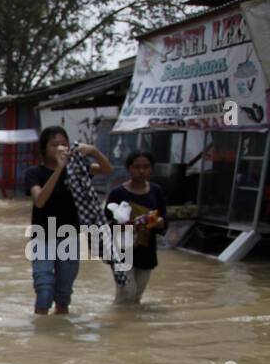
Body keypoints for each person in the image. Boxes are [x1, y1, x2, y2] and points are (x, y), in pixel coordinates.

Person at [24, 125, 112, 315]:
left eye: (64, 144)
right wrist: (58, 170)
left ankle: (60, 331)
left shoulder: (77, 169)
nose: (60, 148)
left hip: (70, 236)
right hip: (42, 237)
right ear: (44, 149)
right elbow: (39, 201)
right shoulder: (34, 173)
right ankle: (40, 333)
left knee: (63, 294)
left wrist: (94, 152)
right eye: (54, 145)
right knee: (44, 291)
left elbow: (106, 169)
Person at [105, 151, 167, 304]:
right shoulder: (117, 193)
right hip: (121, 251)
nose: (141, 171)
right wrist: (124, 225)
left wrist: (156, 221)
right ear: (129, 169)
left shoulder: (156, 191)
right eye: (137, 167)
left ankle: (129, 324)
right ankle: (118, 325)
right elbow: (105, 223)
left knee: (136, 295)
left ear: (151, 169)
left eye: (146, 167)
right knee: (127, 292)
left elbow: (164, 218)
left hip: (146, 251)